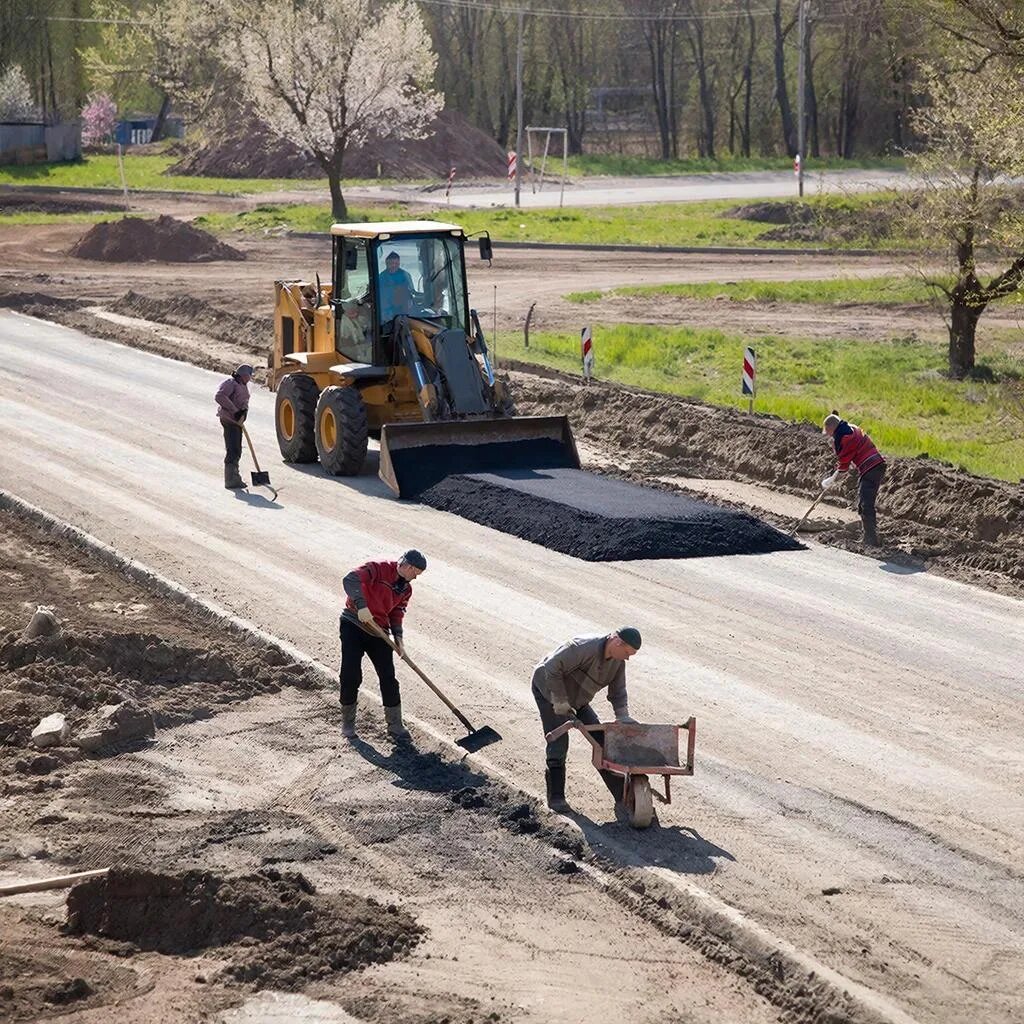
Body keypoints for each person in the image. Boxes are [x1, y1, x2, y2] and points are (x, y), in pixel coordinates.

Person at [532, 628, 641, 812]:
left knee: (601, 742)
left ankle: (621, 797)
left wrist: (622, 717)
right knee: (559, 742)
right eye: (627, 653)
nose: (628, 658)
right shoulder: (583, 647)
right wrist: (560, 702)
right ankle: (556, 797)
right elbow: (551, 666)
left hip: (578, 700)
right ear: (616, 642)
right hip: (549, 690)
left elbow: (618, 692)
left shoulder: (618, 662)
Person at [339, 550, 428, 740]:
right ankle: (348, 725)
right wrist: (361, 606)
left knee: (388, 677)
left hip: (379, 630)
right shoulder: (377, 569)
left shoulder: (406, 589)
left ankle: (395, 726)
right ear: (409, 567)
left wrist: (399, 641)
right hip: (353, 623)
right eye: (416, 573)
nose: (415, 578)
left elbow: (397, 613)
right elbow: (350, 580)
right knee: (351, 674)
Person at [821, 410, 886, 547]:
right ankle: (869, 536)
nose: (830, 437)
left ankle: (871, 540)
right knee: (863, 503)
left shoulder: (846, 438)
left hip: (871, 468)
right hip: (873, 466)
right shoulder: (851, 428)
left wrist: (830, 481)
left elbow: (843, 469)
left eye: (829, 433)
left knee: (865, 504)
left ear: (832, 428)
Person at [215, 364, 253, 490]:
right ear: (244, 375)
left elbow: (244, 401)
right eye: (249, 375)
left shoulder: (243, 385)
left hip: (237, 421)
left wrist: (243, 412)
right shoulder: (230, 383)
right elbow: (219, 396)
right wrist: (235, 411)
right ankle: (230, 480)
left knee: (237, 449)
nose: (250, 378)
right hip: (229, 420)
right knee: (233, 450)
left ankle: (235, 477)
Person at [377, 250, 417, 322]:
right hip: (387, 310)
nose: (394, 266)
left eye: (396, 263)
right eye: (391, 263)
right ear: (386, 263)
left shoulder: (405, 275)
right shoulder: (381, 277)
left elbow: (411, 291)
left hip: (403, 308)